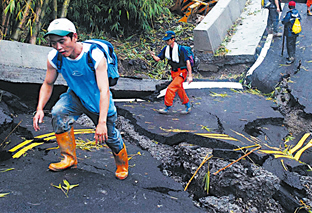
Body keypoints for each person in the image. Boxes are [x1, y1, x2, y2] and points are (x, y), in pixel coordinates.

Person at [33, 18, 129, 180]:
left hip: (98, 101)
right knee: (59, 113)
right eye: (54, 43)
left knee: (110, 136)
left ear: (74, 37)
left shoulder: (94, 55)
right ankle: (68, 158)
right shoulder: (54, 57)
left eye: (62, 41)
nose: (58, 47)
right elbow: (48, 83)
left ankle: (122, 164)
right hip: (75, 96)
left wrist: (102, 123)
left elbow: (104, 90)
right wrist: (40, 108)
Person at [149, 31, 193, 114]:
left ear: (173, 39)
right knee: (180, 90)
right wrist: (153, 55)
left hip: (182, 72)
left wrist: (190, 76)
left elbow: (188, 62)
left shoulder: (181, 49)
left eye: (168, 40)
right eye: (166, 40)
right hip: (173, 72)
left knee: (171, 88)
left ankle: (167, 107)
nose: (167, 42)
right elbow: (158, 59)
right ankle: (187, 106)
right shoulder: (166, 49)